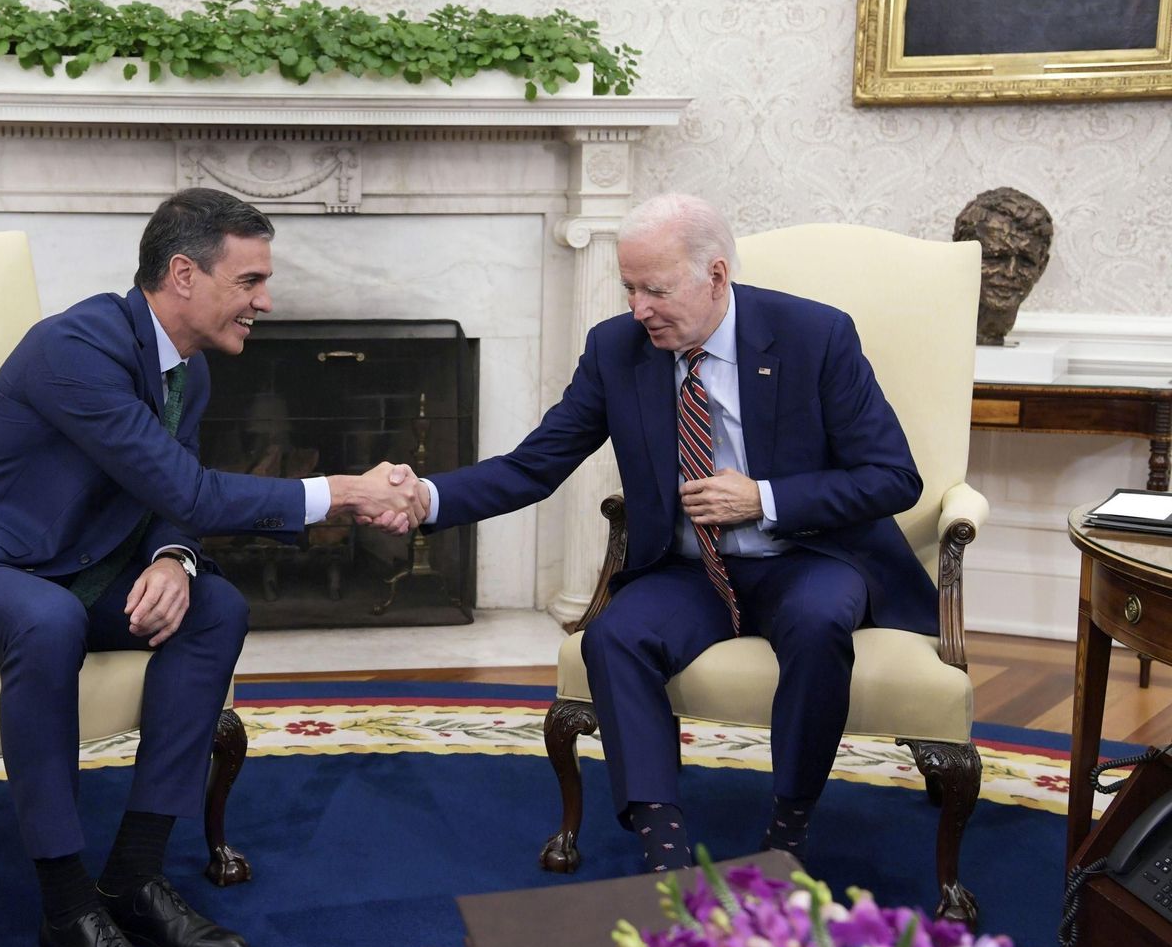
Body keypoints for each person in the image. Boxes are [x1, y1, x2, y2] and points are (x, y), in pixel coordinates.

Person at [0, 187, 428, 947]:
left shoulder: (186, 372)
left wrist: (172, 556)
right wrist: (341, 489)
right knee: (49, 620)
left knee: (217, 607)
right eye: (251, 281)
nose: (266, 302)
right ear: (184, 274)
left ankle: (133, 875)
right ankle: (66, 915)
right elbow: (192, 487)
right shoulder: (75, 347)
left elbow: (172, 499)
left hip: (66, 567)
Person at [388, 193, 935, 873]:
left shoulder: (815, 336)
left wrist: (763, 497)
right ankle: (664, 854)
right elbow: (536, 464)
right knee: (614, 639)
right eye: (628, 288)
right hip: (690, 570)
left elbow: (892, 477)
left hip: (806, 554)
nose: (639, 308)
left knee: (820, 623)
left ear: (715, 275)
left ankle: (787, 836)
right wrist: (427, 497)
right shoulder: (618, 350)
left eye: (655, 289)